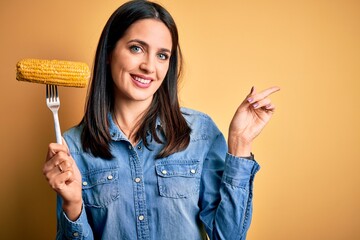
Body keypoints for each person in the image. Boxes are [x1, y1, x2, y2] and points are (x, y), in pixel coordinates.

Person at [43, 0, 280, 239]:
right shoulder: (72, 147)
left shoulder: (199, 132)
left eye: (162, 55)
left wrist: (240, 143)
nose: (149, 66)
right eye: (136, 48)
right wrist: (72, 206)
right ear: (108, 52)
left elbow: (228, 236)